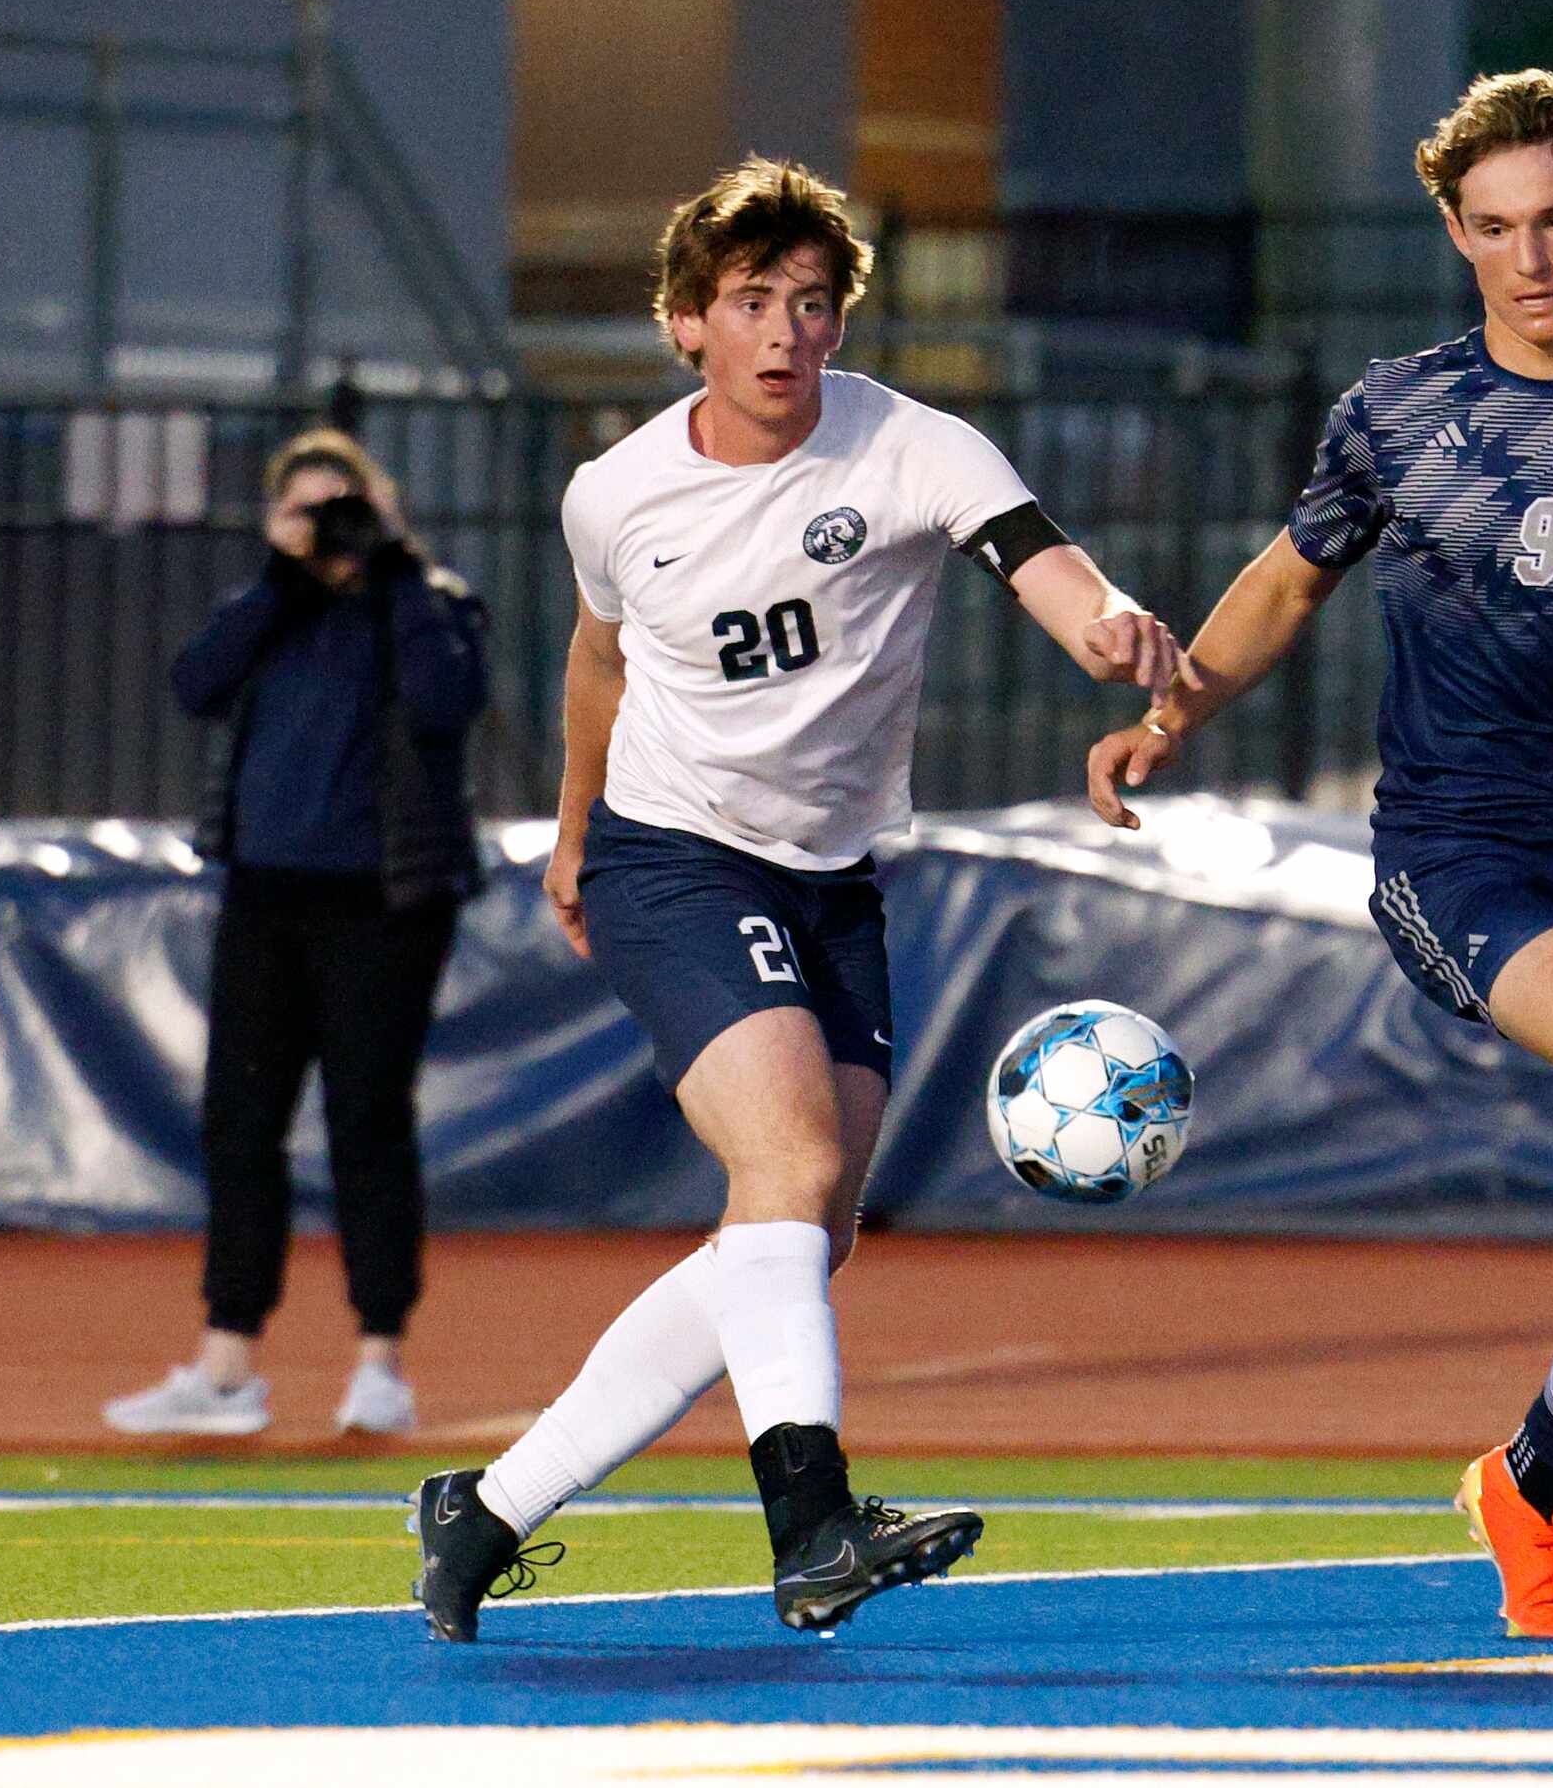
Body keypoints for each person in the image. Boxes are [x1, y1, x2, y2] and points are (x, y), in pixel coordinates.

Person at [408, 156, 1198, 1643]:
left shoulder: (908, 443)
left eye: (813, 304)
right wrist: (575, 833)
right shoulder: (618, 492)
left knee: (796, 1232)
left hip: (832, 883)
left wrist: (1105, 628)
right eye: (752, 301)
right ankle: (812, 1519)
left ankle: (488, 1509)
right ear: (686, 321)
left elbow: (1036, 555)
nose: (784, 330)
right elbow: (598, 662)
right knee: (785, 1161)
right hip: (672, 858)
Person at [1087, 70, 1553, 1642]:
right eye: (1495, 229)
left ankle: (1531, 1483)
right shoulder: (1394, 412)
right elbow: (1284, 586)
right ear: (1456, 236)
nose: (1532, 256)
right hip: (1454, 850)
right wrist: (1175, 709)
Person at [107, 429, 489, 1439]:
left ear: (382, 503)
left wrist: (396, 561)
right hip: (265, 898)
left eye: (343, 505)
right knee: (239, 1125)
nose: (328, 526)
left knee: (367, 1123)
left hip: (386, 903)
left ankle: (380, 1364)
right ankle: (227, 1363)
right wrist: (284, 572)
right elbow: (195, 685)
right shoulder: (266, 613)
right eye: (307, 508)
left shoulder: (430, 603)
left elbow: (452, 703)